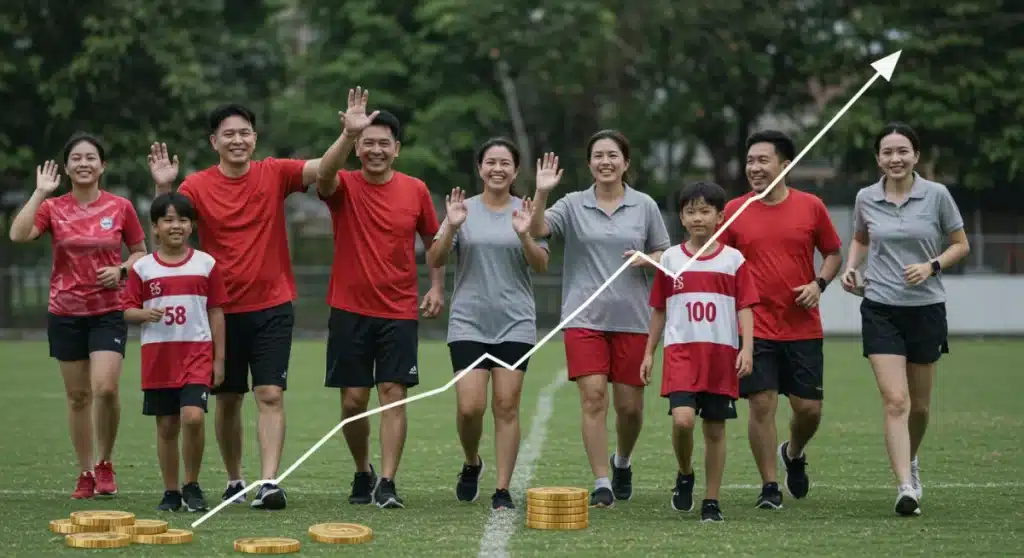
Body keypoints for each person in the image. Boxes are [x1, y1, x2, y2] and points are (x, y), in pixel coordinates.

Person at [148, 103, 328, 510]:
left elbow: (322, 167)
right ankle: (235, 481)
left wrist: (350, 135)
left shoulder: (274, 172)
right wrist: (163, 188)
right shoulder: (195, 186)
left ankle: (269, 482)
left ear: (254, 138)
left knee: (269, 393)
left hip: (273, 305)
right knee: (228, 399)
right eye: (228, 134)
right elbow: (167, 232)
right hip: (218, 312)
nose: (237, 140)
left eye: (244, 132)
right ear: (214, 142)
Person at [314, 88, 445, 509]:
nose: (375, 150)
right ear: (357, 147)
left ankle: (387, 482)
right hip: (349, 308)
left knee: (393, 392)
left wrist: (437, 286)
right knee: (354, 400)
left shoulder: (416, 190)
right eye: (367, 143)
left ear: (397, 149)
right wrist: (347, 135)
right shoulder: (344, 185)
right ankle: (362, 470)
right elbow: (322, 176)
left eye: (382, 143)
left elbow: (433, 240)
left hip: (399, 310)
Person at [528, 130, 672, 508]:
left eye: (613, 155)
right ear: (589, 163)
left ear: (626, 163)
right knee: (593, 399)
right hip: (583, 319)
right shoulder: (573, 204)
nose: (605, 162)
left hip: (633, 318)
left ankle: (621, 460)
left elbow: (666, 254)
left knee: (629, 408)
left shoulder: (645, 206)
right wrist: (542, 191)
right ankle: (602, 481)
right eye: (598, 156)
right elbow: (538, 229)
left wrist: (648, 260)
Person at [840, 122, 969, 517]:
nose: (895, 159)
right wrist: (851, 267)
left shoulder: (937, 196)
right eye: (887, 153)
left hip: (926, 309)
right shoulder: (866, 197)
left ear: (915, 155)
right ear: (878, 158)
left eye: (902, 151)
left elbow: (961, 245)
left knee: (920, 407)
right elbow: (861, 237)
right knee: (896, 400)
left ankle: (911, 459)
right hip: (880, 307)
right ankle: (904, 486)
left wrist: (931, 266)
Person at [8, 133, 148, 499]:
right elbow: (18, 234)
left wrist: (120, 271)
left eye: (91, 158)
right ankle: (85, 471)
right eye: (76, 159)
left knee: (105, 388)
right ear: (66, 167)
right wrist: (40, 192)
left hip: (107, 312)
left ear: (102, 165)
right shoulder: (53, 208)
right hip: (65, 314)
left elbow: (140, 253)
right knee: (78, 396)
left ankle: (105, 463)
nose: (84, 164)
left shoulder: (120, 207)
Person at [718, 129, 842, 510]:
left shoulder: (811, 207)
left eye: (762, 160)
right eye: (750, 161)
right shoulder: (734, 210)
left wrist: (819, 284)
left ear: (784, 165)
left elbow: (833, 253)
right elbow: (721, 263)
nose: (753, 168)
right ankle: (769, 485)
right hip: (754, 327)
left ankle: (795, 452)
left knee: (808, 409)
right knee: (761, 403)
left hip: (802, 326)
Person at [426, 138, 550, 511]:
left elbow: (541, 264)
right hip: (468, 321)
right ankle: (471, 462)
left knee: (506, 404)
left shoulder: (527, 208)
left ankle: (501, 489)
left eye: (505, 163)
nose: (498, 169)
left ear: (515, 170)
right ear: (480, 168)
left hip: (515, 322)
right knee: (470, 407)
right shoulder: (461, 209)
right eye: (491, 162)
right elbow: (435, 256)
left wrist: (525, 234)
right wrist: (450, 225)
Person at [641, 180, 757, 522]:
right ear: (681, 216)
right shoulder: (671, 259)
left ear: (720, 216)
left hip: (720, 355)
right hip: (681, 354)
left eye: (705, 211)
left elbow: (745, 307)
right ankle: (685, 472)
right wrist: (649, 352)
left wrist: (746, 348)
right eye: (690, 211)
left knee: (715, 428)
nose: (697, 218)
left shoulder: (733, 260)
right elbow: (659, 309)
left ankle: (711, 500)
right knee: (683, 420)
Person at [122, 192, 227, 513]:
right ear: (154, 227)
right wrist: (143, 314)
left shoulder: (205, 264)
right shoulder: (143, 268)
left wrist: (219, 359)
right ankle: (171, 491)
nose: (175, 226)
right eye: (167, 220)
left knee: (193, 418)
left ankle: (191, 483)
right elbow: (126, 309)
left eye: (182, 219)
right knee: (167, 426)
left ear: (192, 225)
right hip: (159, 359)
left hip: (196, 355)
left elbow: (216, 311)